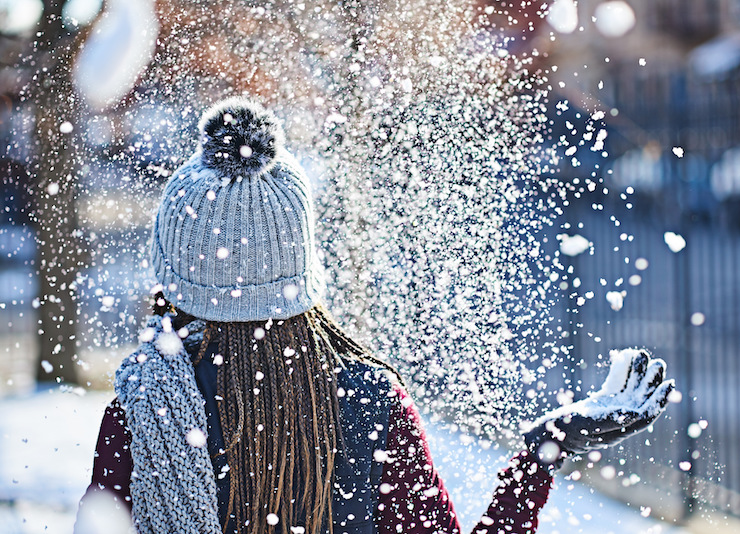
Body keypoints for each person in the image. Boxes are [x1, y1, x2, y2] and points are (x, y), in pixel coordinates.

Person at [75, 97, 675, 534]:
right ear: (302, 267)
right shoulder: (368, 400)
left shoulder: (146, 404)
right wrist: (544, 450)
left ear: (175, 274)